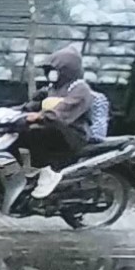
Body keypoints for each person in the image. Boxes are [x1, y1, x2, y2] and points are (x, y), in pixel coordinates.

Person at [18, 47, 96, 198]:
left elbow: (63, 111)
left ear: (66, 70)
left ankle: (48, 173)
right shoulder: (52, 88)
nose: (50, 73)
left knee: (35, 131)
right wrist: (11, 112)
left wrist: (40, 116)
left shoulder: (80, 89)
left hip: (74, 134)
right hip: (55, 129)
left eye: (53, 70)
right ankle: (28, 170)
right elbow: (31, 105)